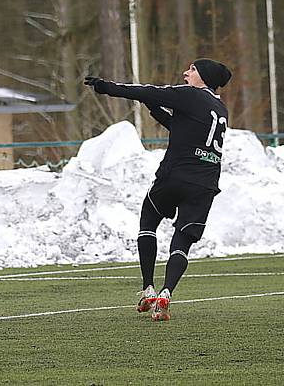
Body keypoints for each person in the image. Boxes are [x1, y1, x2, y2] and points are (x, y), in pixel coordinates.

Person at [84, 58, 232, 321]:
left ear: (204, 77)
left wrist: (108, 87)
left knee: (148, 220)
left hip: (174, 177)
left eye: (193, 69)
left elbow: (148, 90)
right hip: (205, 184)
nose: (186, 72)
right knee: (183, 240)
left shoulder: (189, 95)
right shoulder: (219, 109)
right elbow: (179, 127)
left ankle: (148, 288)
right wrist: (151, 106)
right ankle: (167, 293)